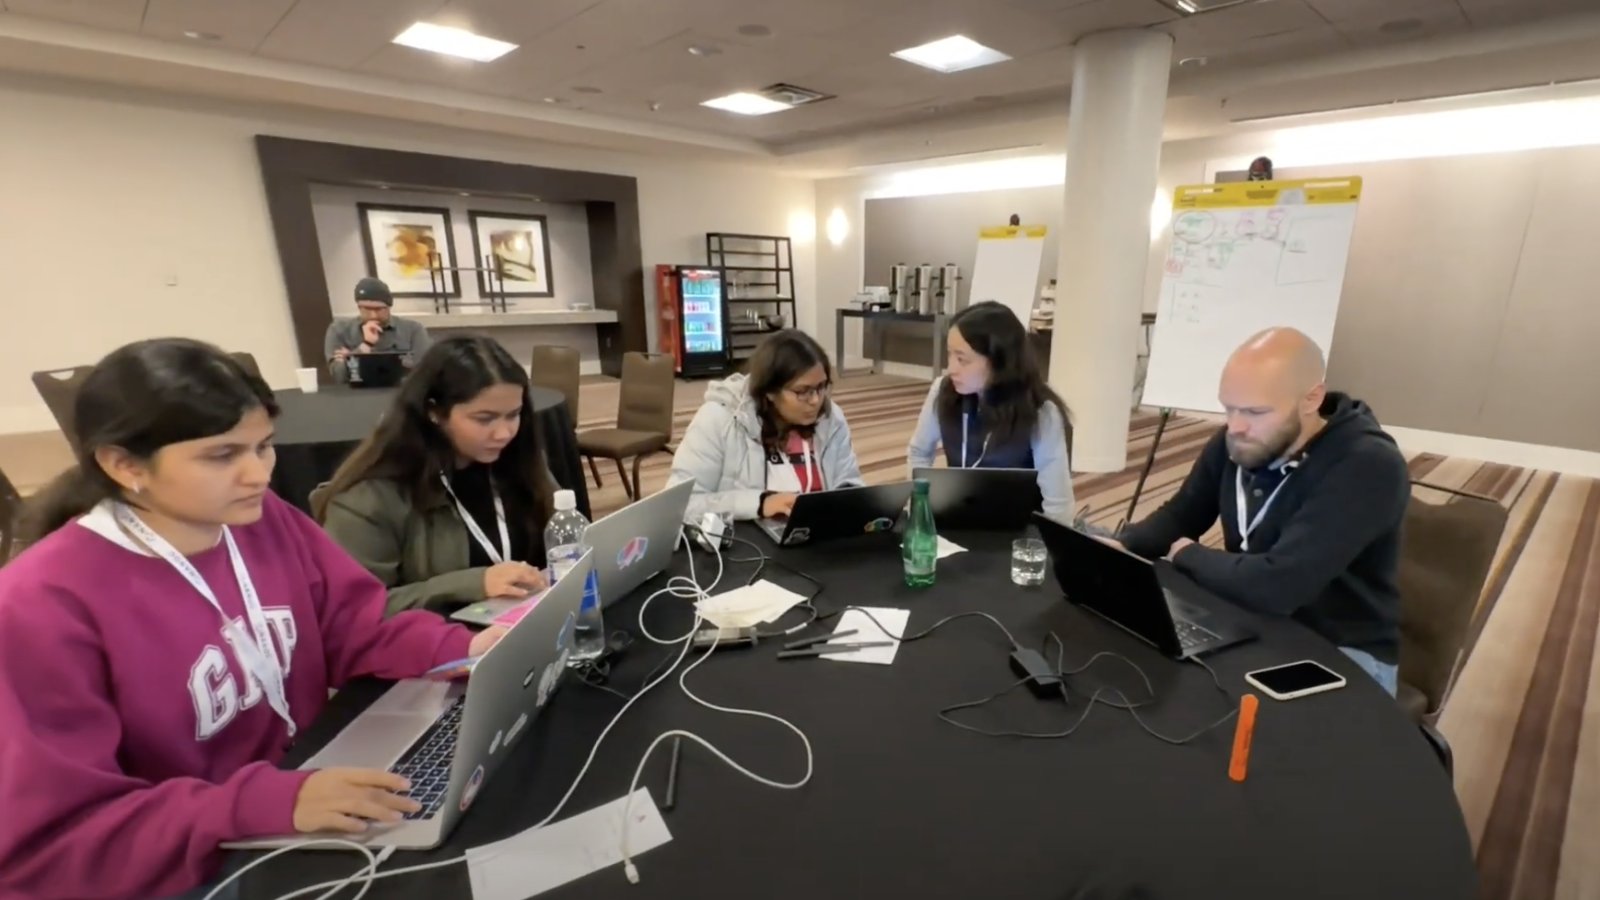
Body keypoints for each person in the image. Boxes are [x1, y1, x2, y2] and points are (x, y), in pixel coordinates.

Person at [0, 339, 507, 900]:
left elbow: (353, 626)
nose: (258, 474)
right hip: (192, 857)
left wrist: (464, 650)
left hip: (302, 783)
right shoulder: (41, 604)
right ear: (124, 464)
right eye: (222, 455)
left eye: (263, 447)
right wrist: (264, 805)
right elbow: (54, 843)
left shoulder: (261, 521)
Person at [1108, 327, 1409, 694]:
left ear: (1311, 399)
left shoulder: (1366, 465)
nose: (1235, 426)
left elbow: (1278, 585)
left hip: (1341, 646)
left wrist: (1187, 554)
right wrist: (1122, 547)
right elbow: (1182, 514)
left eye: (1255, 411)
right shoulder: (1239, 439)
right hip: (1254, 615)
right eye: (1228, 408)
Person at [314, 336, 555, 616]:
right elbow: (355, 608)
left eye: (513, 415)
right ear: (434, 412)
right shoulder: (370, 496)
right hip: (437, 650)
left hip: (530, 627)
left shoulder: (517, 462)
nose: (503, 434)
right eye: (484, 419)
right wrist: (472, 584)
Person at [669, 329, 864, 522]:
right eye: (802, 391)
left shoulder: (831, 418)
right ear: (770, 391)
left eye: (821, 387)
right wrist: (760, 503)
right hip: (748, 542)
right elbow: (680, 506)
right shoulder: (719, 419)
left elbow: (849, 483)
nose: (815, 400)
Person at [907, 300, 1076, 521]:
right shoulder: (943, 391)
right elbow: (919, 452)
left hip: (1019, 528)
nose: (952, 369)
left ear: (999, 362)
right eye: (949, 355)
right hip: (959, 518)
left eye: (962, 359)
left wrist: (1047, 549)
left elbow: (1058, 503)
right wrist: (919, 508)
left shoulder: (1041, 412)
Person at [323, 277, 433, 384]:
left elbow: (424, 371)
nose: (373, 315)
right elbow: (340, 376)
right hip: (354, 397)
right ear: (358, 307)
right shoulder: (339, 329)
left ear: (389, 307)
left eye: (379, 309)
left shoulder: (413, 329)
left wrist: (351, 358)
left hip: (400, 394)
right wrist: (365, 346)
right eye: (366, 309)